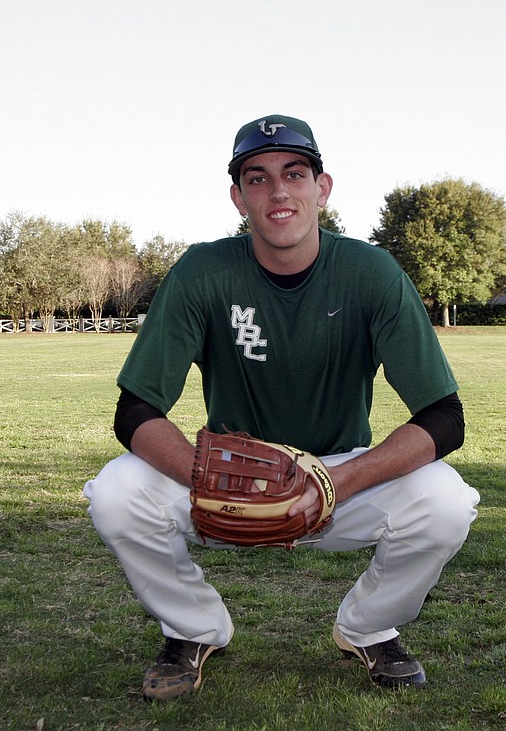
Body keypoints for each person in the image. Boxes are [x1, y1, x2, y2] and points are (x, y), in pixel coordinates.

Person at [83, 114, 480, 701]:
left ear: (322, 188)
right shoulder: (204, 271)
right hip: (227, 483)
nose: (278, 191)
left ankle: (368, 628)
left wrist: (333, 482)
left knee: (447, 501)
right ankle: (193, 630)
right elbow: (135, 409)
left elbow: (444, 416)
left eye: (295, 173)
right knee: (115, 492)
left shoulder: (371, 272)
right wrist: (211, 478)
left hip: (341, 476)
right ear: (238, 197)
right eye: (258, 177)